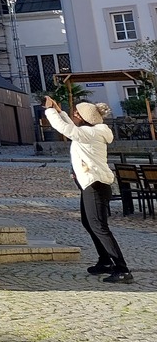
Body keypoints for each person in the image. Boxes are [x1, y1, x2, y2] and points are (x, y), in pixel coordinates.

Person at [42, 96, 133, 283]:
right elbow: (72, 127)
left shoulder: (89, 134)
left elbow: (67, 129)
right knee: (88, 222)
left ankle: (122, 269)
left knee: (99, 227)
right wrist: (60, 111)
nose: (74, 114)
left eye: (76, 112)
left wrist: (50, 111)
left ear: (84, 118)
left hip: (95, 185)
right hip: (92, 185)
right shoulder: (90, 132)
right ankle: (105, 261)